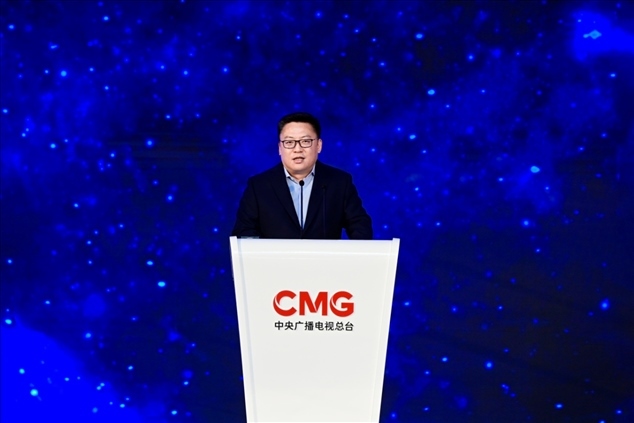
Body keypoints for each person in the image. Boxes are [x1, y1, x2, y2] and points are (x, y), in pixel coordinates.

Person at [231, 112, 373, 239]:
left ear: (318, 145)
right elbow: (244, 233)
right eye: (289, 142)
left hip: (324, 260)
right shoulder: (259, 186)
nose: (297, 149)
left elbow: (360, 226)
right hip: (277, 261)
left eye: (305, 141)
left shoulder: (340, 182)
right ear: (280, 148)